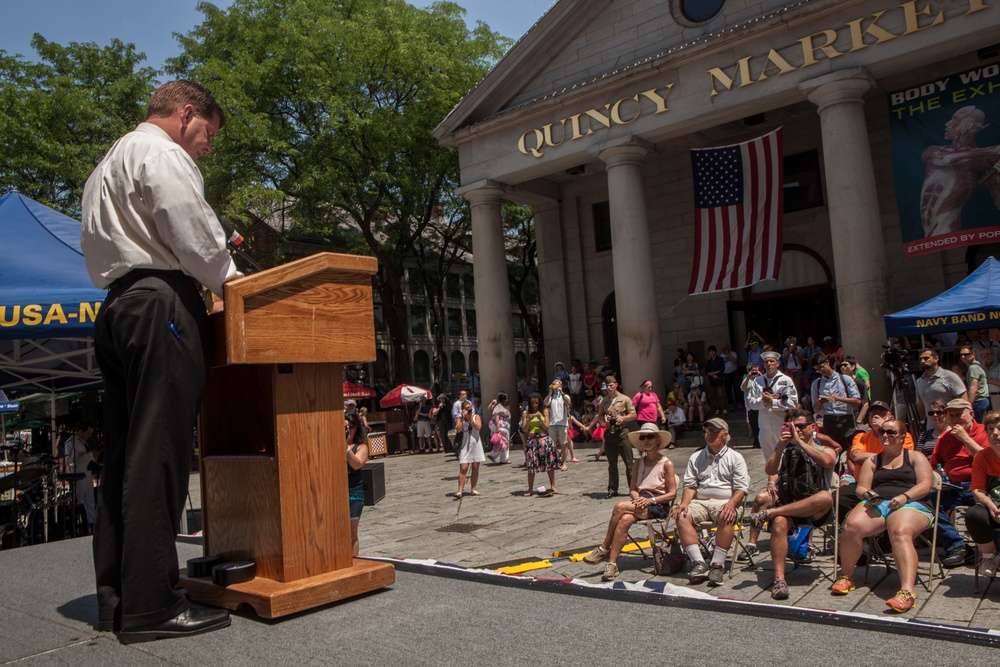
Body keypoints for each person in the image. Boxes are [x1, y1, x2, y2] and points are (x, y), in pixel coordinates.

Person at [81, 80, 236, 641]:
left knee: (125, 455)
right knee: (161, 454)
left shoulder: (107, 164)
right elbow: (193, 234)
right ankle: (154, 605)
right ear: (186, 114)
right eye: (208, 134)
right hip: (161, 304)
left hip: (118, 305)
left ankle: (117, 599)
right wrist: (230, 282)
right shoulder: (162, 153)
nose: (207, 147)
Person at [833, 419, 935, 613]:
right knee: (851, 526)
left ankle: (907, 592)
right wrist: (868, 495)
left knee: (899, 530)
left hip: (912, 502)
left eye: (891, 432)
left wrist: (905, 497)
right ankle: (846, 576)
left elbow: (925, 485)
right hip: (880, 502)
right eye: (882, 432)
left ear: (903, 437)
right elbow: (861, 487)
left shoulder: (915, 457)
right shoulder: (873, 460)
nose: (885, 435)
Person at [746, 409, 836, 600]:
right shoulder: (785, 449)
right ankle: (779, 580)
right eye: (793, 426)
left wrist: (800, 443)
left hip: (814, 510)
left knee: (825, 497)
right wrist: (781, 446)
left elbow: (829, 461)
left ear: (812, 428)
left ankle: (770, 513)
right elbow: (769, 469)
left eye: (802, 426)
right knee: (779, 522)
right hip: (789, 506)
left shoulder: (822, 448)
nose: (797, 430)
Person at [583, 423, 677, 581]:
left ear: (657, 440)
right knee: (625, 520)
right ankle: (612, 564)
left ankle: (604, 547)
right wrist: (638, 499)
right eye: (643, 437)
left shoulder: (666, 463)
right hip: (639, 501)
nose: (646, 440)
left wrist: (650, 500)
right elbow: (632, 488)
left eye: (650, 436)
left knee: (619, 506)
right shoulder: (638, 463)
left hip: (657, 504)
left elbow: (672, 493)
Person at [671, 418, 750, 586]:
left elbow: (741, 489)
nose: (710, 434)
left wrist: (731, 504)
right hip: (700, 501)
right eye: (707, 431)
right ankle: (698, 562)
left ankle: (718, 564)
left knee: (726, 514)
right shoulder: (696, 456)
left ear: (725, 435)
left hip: (725, 500)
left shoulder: (735, 457)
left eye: (715, 431)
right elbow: (690, 485)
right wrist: (684, 502)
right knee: (681, 515)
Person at [919, 105, 1000, 238]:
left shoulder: (983, 161)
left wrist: (998, 175)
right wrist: (995, 151)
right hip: (928, 233)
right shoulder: (935, 150)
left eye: (955, 118)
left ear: (967, 124)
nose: (947, 124)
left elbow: (998, 202)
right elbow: (945, 160)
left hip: (947, 228)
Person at [929, 398, 987, 567]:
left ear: (971, 414)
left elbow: (987, 460)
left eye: (958, 414)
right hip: (952, 487)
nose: (954, 419)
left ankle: (989, 548)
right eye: (951, 415)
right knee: (929, 502)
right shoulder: (945, 438)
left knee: (984, 511)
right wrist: (940, 479)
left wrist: (965, 439)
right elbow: (934, 464)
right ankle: (958, 547)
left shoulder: (984, 432)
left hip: (977, 485)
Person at [745, 351, 799, 460]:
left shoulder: (786, 380)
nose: (769, 364)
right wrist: (764, 401)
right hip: (764, 426)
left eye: (772, 361)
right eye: (766, 362)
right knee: (769, 459)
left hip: (780, 425)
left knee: (784, 457)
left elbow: (793, 402)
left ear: (777, 363)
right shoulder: (758, 381)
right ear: (763, 365)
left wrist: (773, 402)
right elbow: (751, 403)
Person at [968, 410, 1000, 579]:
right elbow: (978, 490)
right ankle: (990, 557)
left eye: (999, 429)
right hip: (993, 502)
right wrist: (991, 506)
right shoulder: (982, 456)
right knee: (974, 515)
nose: (995, 433)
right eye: (990, 429)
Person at [809, 353, 862, 451]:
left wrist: (838, 398)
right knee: (832, 451)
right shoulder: (816, 384)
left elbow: (857, 401)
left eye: (822, 367)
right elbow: (815, 409)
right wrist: (820, 402)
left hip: (846, 419)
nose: (821, 371)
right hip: (829, 421)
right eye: (817, 369)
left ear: (827, 362)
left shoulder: (845, 379)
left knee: (850, 450)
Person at [595, 376, 637, 498]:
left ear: (616, 384)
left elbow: (633, 414)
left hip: (622, 432)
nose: (609, 387)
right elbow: (600, 415)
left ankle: (633, 488)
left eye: (611, 385)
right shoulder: (604, 401)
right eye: (607, 386)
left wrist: (623, 418)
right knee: (612, 464)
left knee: (629, 463)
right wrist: (604, 422)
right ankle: (612, 489)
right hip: (609, 433)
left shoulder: (625, 399)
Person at [61, 420, 98, 534]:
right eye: (88, 433)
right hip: (77, 475)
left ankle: (91, 524)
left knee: (90, 500)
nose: (89, 436)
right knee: (79, 499)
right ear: (81, 431)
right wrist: (91, 454)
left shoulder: (82, 442)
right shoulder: (71, 442)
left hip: (86, 473)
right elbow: (74, 459)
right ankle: (76, 523)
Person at [521, 393, 561, 496]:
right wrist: (529, 420)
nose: (534, 405)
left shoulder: (545, 411)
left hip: (543, 439)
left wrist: (540, 419)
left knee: (549, 464)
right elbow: (524, 430)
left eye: (536, 403)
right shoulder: (525, 413)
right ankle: (530, 488)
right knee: (531, 464)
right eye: (532, 403)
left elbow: (547, 427)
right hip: (532, 439)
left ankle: (553, 485)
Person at [915, 347, 968, 423]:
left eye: (926, 358)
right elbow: (921, 407)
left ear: (936, 359)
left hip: (951, 426)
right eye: (920, 359)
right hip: (932, 428)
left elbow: (964, 401)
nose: (923, 361)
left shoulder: (950, 376)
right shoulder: (919, 381)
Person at [345, 412, 369, 555]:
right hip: (338, 493)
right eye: (346, 427)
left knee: (352, 532)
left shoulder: (361, 447)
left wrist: (346, 447)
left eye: (351, 427)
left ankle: (354, 560)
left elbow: (356, 464)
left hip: (354, 493)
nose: (349, 430)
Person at [454, 399, 485, 498]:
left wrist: (470, 419)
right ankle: (460, 490)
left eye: (469, 408)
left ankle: (473, 488)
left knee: (475, 467)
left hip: (475, 444)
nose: (468, 410)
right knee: (463, 468)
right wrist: (463, 418)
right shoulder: (460, 419)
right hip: (465, 444)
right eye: (466, 408)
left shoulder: (476, 416)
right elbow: (458, 429)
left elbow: (479, 427)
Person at [544, 379, 575, 470]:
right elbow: (545, 403)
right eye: (554, 386)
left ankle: (564, 463)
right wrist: (550, 392)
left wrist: (561, 393)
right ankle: (554, 461)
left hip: (562, 423)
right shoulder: (552, 397)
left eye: (557, 386)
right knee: (552, 444)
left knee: (564, 444)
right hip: (553, 423)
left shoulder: (565, 396)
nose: (556, 388)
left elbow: (568, 402)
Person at [960, 345, 991, 422]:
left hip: (978, 402)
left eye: (966, 354)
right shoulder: (976, 366)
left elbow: (973, 388)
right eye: (961, 355)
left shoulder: (973, 368)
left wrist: (968, 405)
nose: (963, 357)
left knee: (977, 426)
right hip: (982, 401)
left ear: (973, 354)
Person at [486, 392, 512, 464]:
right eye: (505, 398)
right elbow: (497, 417)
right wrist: (497, 428)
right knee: (505, 442)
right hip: (501, 426)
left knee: (500, 442)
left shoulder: (498, 406)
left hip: (499, 426)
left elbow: (489, 408)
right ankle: (503, 458)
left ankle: (494, 454)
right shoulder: (500, 407)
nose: (507, 400)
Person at [705, 346, 728, 416]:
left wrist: (715, 373)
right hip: (711, 380)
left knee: (721, 394)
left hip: (719, 379)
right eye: (710, 352)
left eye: (713, 351)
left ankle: (724, 408)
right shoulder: (708, 361)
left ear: (715, 351)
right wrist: (711, 374)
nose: (712, 353)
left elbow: (722, 369)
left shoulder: (720, 359)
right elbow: (706, 371)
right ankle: (717, 409)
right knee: (713, 395)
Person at [721, 344, 741, 410]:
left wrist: (728, 354)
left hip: (734, 373)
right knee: (728, 390)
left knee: (736, 389)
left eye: (725, 348)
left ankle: (739, 403)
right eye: (723, 349)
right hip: (726, 374)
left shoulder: (733, 353)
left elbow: (735, 361)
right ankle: (730, 404)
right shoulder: (721, 356)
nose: (724, 350)